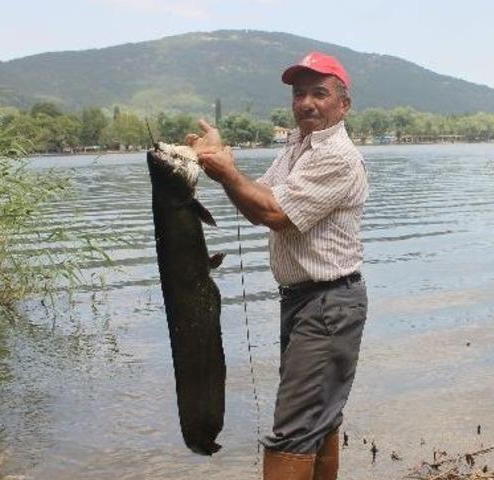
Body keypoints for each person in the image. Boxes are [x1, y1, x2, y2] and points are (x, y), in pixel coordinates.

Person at [196, 52, 369, 480]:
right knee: (319, 418)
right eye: (299, 94)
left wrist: (226, 173)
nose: (306, 102)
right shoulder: (299, 147)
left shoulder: (338, 157)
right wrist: (225, 168)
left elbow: (274, 214)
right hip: (307, 301)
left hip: (328, 304)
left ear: (343, 104)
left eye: (319, 93)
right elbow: (260, 197)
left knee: (291, 429)